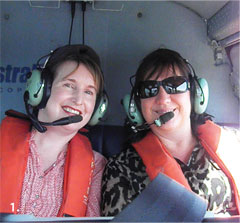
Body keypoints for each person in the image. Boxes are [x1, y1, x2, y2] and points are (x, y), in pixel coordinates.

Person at [101, 48, 240, 217]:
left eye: (175, 85)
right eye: (149, 89)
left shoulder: (233, 143)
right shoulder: (121, 169)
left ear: (195, 93)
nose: (163, 99)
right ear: (137, 106)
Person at [0, 44, 108, 217]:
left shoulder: (96, 167)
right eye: (69, 85)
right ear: (41, 88)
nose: (78, 100)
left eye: (89, 92)